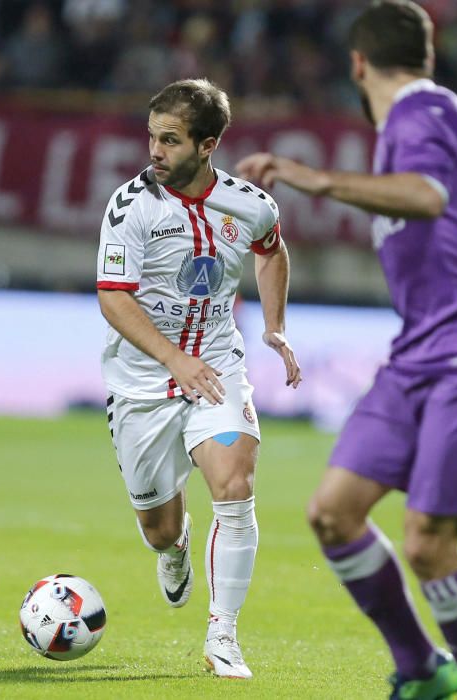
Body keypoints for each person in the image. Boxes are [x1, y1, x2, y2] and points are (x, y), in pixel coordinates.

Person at [237, 2, 457, 697]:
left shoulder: (420, 110)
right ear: (424, 53)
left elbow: (425, 198)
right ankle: (421, 670)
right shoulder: (405, 123)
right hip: (417, 353)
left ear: (357, 63)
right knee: (333, 513)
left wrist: (313, 178)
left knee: (429, 542)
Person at [96, 78, 301, 679]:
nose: (154, 152)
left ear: (207, 145)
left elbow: (271, 249)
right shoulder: (130, 206)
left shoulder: (251, 203)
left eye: (170, 140)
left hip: (216, 366)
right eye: (152, 137)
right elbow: (113, 300)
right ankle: (176, 547)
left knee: (235, 489)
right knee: (158, 528)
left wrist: (274, 326)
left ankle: (223, 637)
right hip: (140, 383)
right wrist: (172, 361)